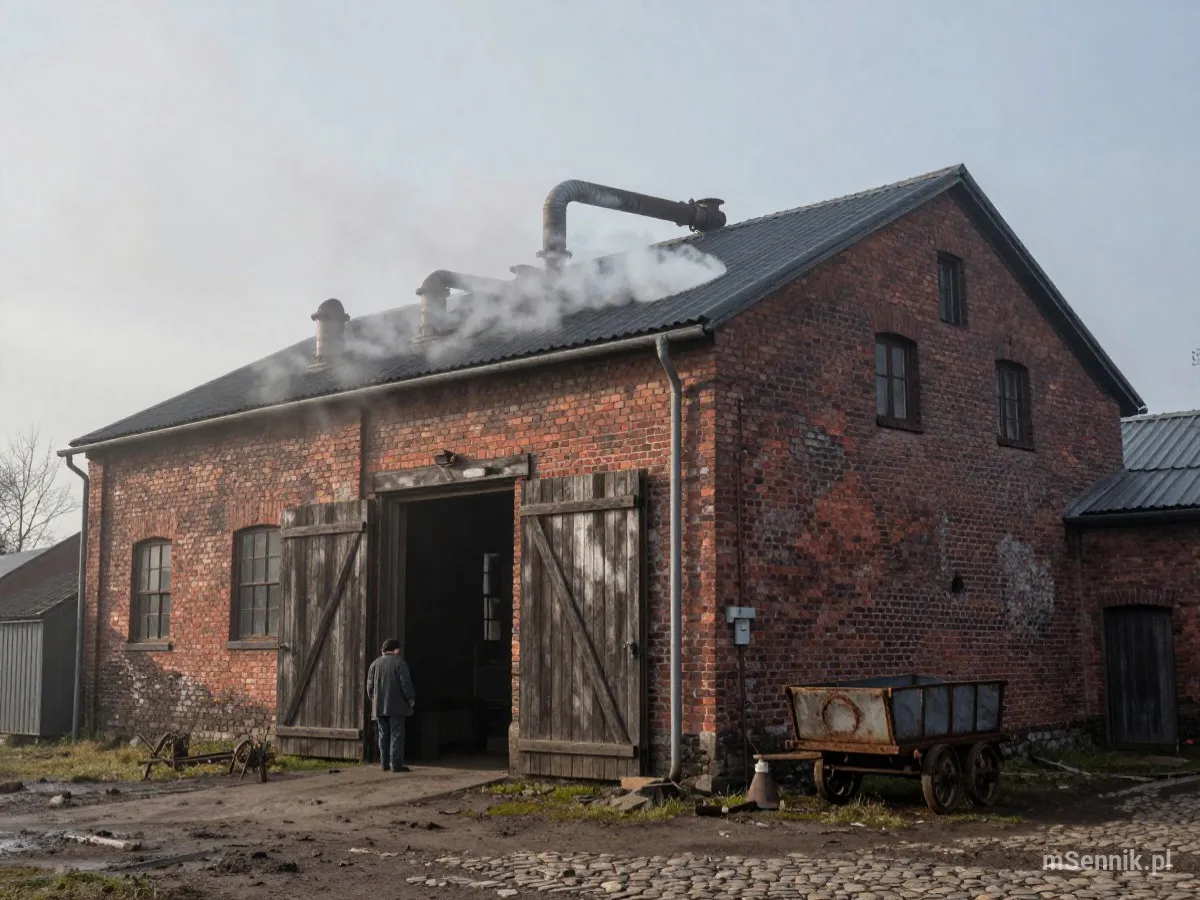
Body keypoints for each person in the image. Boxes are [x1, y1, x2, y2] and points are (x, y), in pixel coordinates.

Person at [366, 638, 416, 772]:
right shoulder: (400, 663)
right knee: (396, 735)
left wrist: (374, 700)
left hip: (379, 707)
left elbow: (369, 688)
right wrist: (410, 698)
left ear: (383, 650)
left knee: (383, 734)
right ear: (396, 650)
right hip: (397, 706)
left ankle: (384, 764)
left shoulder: (374, 665)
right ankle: (396, 764)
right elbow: (405, 683)